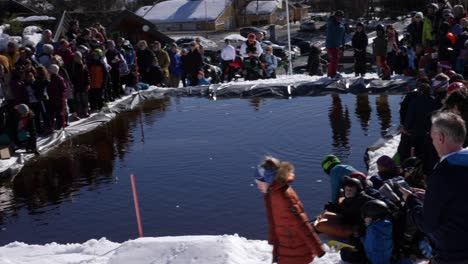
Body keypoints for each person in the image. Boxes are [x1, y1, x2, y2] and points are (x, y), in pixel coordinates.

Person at [401, 112, 468, 263]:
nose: (432, 142)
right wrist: (430, 197)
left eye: (432, 138)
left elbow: (427, 224)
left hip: (454, 255)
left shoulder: (444, 173)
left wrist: (410, 200)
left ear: (440, 138)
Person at [257, 158, 325, 263]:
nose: (258, 186)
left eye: (259, 182)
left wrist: (318, 248)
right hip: (287, 247)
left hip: (296, 250)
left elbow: (301, 223)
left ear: (268, 180)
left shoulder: (283, 197)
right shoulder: (272, 194)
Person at [340, 200, 393, 264]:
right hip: (383, 257)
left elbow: (368, 246)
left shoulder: (374, 231)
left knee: (345, 253)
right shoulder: (384, 224)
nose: (364, 219)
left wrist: (359, 237)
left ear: (373, 216)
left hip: (373, 260)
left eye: (366, 216)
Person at [325, 10, 345, 78]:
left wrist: (343, 45)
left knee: (336, 60)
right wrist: (332, 19)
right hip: (330, 45)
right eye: (337, 16)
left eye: (340, 17)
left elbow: (343, 37)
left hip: (337, 46)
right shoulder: (331, 24)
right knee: (333, 60)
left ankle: (333, 73)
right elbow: (330, 25)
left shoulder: (342, 26)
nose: (339, 18)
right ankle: (331, 74)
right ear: (335, 17)